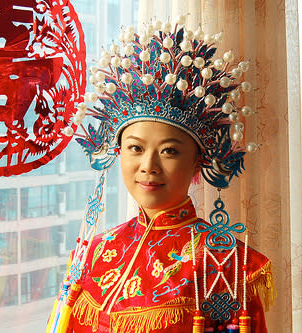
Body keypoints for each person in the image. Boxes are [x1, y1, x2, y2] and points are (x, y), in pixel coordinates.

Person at [46, 16, 274, 333]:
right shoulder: (94, 254)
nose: (148, 166)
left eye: (169, 151)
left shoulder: (224, 266)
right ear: (118, 151)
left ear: (198, 162)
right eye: (135, 148)